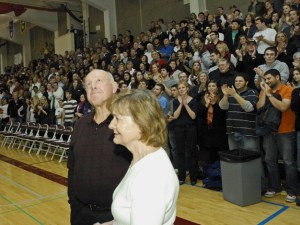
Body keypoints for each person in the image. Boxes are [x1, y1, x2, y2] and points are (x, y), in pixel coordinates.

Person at [67, 69, 130, 225]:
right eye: (88, 83)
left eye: (99, 81)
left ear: (114, 87)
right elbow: (72, 168)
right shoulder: (80, 124)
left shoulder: (127, 124)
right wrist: (74, 204)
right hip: (80, 214)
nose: (93, 86)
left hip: (115, 218)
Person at [108, 89, 179, 225]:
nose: (111, 125)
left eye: (118, 118)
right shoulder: (141, 160)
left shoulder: (152, 177)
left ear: (141, 124)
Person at [258, 69, 298, 202]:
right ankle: (274, 187)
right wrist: (264, 92)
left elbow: (283, 107)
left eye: (269, 78)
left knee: (288, 162)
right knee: (269, 160)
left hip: (286, 131)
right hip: (269, 131)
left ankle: (292, 190)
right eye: (266, 79)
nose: (267, 81)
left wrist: (270, 95)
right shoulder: (265, 90)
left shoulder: (288, 90)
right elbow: (259, 107)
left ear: (277, 77)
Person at [173, 81, 198, 185]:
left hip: (190, 128)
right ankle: (182, 177)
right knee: (180, 152)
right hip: (179, 128)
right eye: (179, 88)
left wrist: (186, 104)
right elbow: (175, 116)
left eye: (183, 87)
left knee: (192, 152)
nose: (181, 89)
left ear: (187, 89)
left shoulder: (193, 101)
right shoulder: (175, 101)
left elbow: (193, 116)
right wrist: (181, 104)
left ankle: (193, 177)